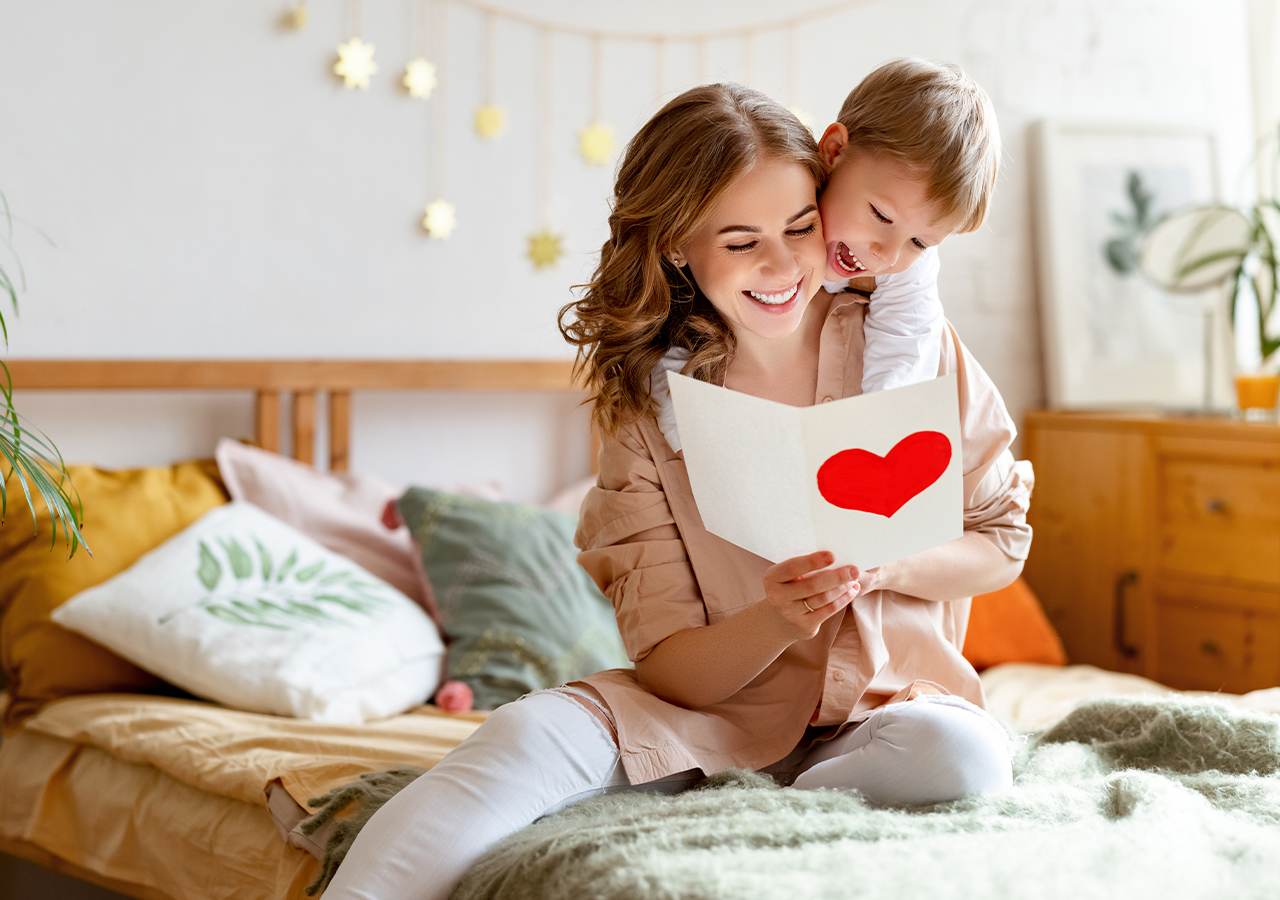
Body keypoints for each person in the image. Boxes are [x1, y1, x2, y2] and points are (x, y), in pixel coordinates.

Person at [322, 81, 1032, 900]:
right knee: (521, 735)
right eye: (740, 243)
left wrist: (889, 564)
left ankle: (756, 814)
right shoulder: (650, 410)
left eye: (800, 228)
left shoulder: (912, 352)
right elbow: (670, 672)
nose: (780, 266)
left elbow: (1002, 542)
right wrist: (775, 618)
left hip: (887, 717)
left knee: (969, 757)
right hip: (702, 720)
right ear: (679, 248)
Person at [819, 58, 1000, 395]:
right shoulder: (777, 203)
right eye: (881, 216)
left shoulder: (908, 274)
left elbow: (903, 359)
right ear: (834, 151)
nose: (887, 255)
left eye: (918, 242)